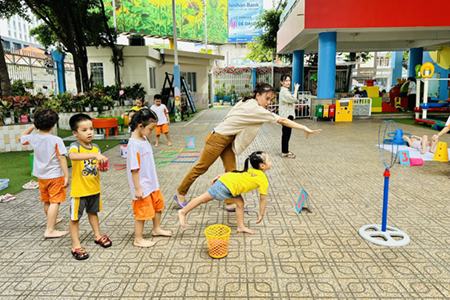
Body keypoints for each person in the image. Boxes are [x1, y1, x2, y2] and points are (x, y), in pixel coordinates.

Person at [174, 83, 321, 208]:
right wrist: (304, 128)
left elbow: (230, 116)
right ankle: (180, 193)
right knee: (201, 167)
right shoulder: (255, 109)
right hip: (217, 139)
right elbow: (282, 120)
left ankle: (230, 201)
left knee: (231, 171)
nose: (268, 102)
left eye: (271, 100)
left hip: (226, 140)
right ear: (257, 95)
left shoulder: (247, 101)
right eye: (266, 98)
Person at [178, 151, 271, 234]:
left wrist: (221, 175)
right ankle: (183, 212)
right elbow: (263, 199)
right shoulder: (262, 179)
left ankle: (241, 227)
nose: (271, 161)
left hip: (230, 185)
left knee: (240, 203)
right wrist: (261, 213)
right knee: (203, 199)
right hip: (225, 186)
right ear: (262, 166)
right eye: (269, 160)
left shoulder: (253, 170)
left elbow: (237, 174)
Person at [68, 113, 112, 260]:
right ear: (75, 133)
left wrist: (102, 167)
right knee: (75, 218)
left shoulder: (96, 147)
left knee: (93, 213)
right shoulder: (75, 147)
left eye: (91, 129)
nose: (89, 132)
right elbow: (72, 157)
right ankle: (75, 245)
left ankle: (97, 235)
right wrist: (93, 156)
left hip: (94, 189)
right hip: (79, 191)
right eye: (84, 130)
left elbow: (97, 165)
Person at [20, 109, 69, 239]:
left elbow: (22, 137)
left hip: (41, 176)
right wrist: (66, 176)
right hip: (54, 175)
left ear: (36, 123)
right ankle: (50, 230)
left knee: (47, 201)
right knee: (55, 202)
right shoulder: (56, 140)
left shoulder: (33, 138)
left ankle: (53, 220)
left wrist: (33, 126)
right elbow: (62, 158)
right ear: (53, 124)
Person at [126, 109, 172, 248]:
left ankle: (156, 229)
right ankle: (138, 238)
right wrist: (138, 188)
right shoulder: (133, 145)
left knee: (158, 206)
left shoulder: (143, 138)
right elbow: (134, 169)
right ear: (140, 126)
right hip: (142, 185)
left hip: (152, 182)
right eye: (151, 129)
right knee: (142, 212)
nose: (152, 132)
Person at [279, 74, 298, 158]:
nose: (288, 82)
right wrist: (296, 89)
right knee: (286, 134)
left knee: (286, 133)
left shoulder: (285, 91)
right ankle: (284, 152)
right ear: (281, 82)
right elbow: (294, 99)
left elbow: (292, 99)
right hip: (286, 115)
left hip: (287, 115)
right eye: (286, 80)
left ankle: (285, 151)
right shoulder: (284, 91)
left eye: (289, 80)